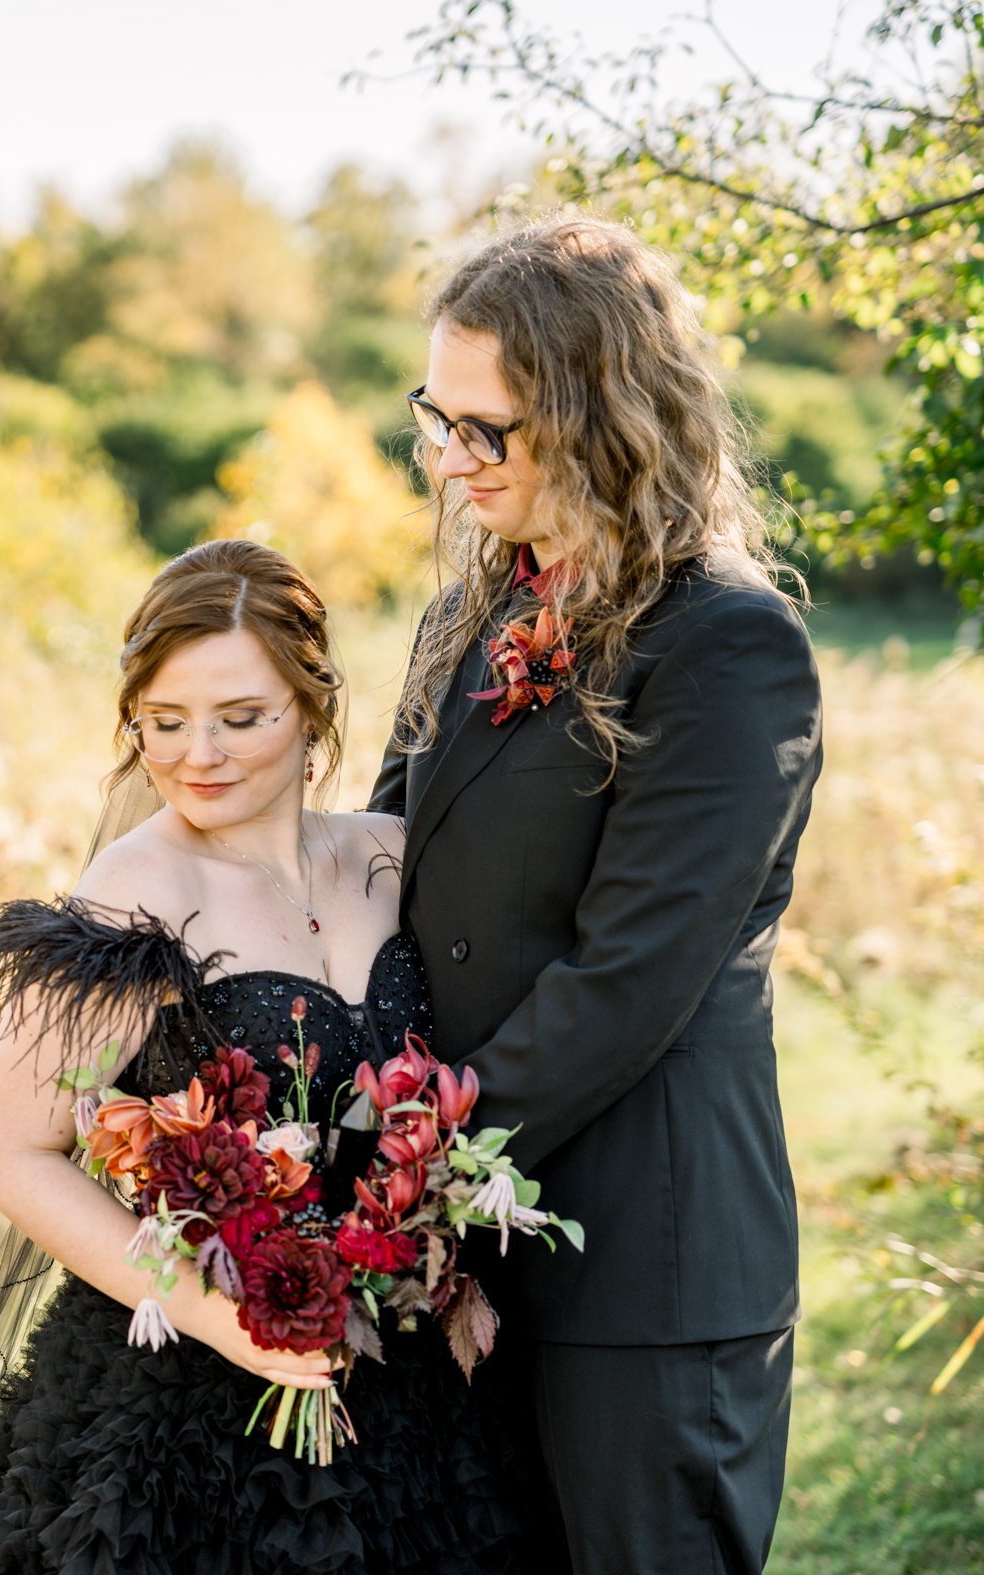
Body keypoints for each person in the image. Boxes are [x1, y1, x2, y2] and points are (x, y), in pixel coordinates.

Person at [0, 538, 526, 1575]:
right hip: (185, 1400)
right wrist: (223, 1321)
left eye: (239, 718)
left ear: (311, 710)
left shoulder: (397, 860)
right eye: (164, 722)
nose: (197, 756)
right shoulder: (129, 900)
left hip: (402, 1390)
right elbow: (12, 1153)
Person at [369, 214, 824, 1574]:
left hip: (646, 1271)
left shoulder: (726, 642)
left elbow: (627, 979)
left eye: (487, 430)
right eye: (434, 417)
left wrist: (405, 1187)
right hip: (469, 1255)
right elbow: (386, 860)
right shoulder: (469, 615)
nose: (450, 461)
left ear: (601, 414)